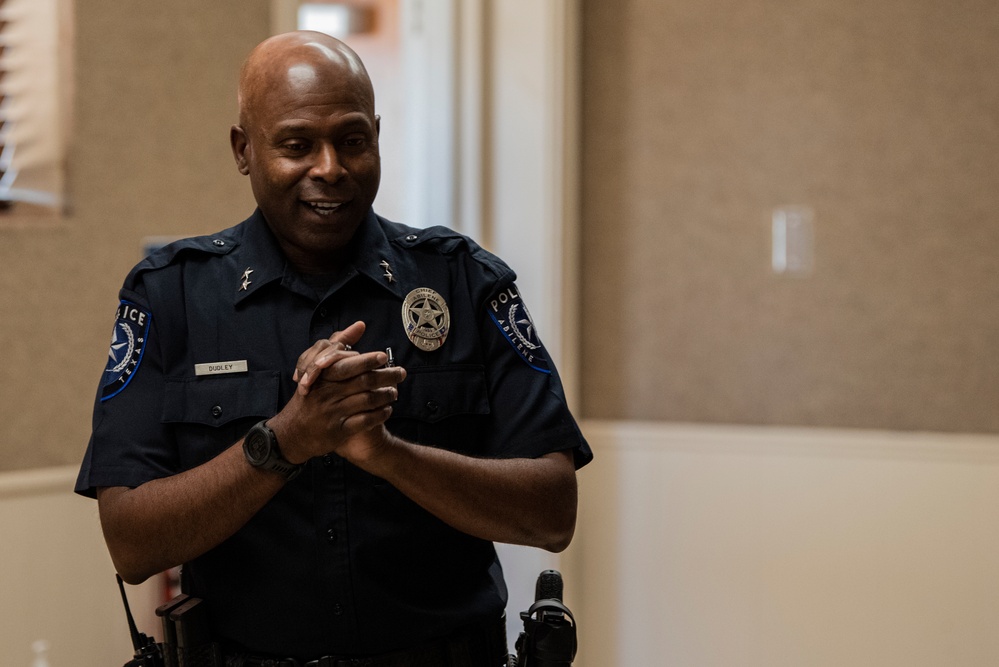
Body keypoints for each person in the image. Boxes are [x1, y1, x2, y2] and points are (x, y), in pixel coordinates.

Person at [76, 30, 591, 666]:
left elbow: (551, 512)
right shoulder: (171, 296)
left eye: (352, 140)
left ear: (377, 136)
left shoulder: (465, 280)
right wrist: (285, 441)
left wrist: (388, 454)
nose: (330, 168)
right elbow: (131, 545)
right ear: (244, 150)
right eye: (296, 145)